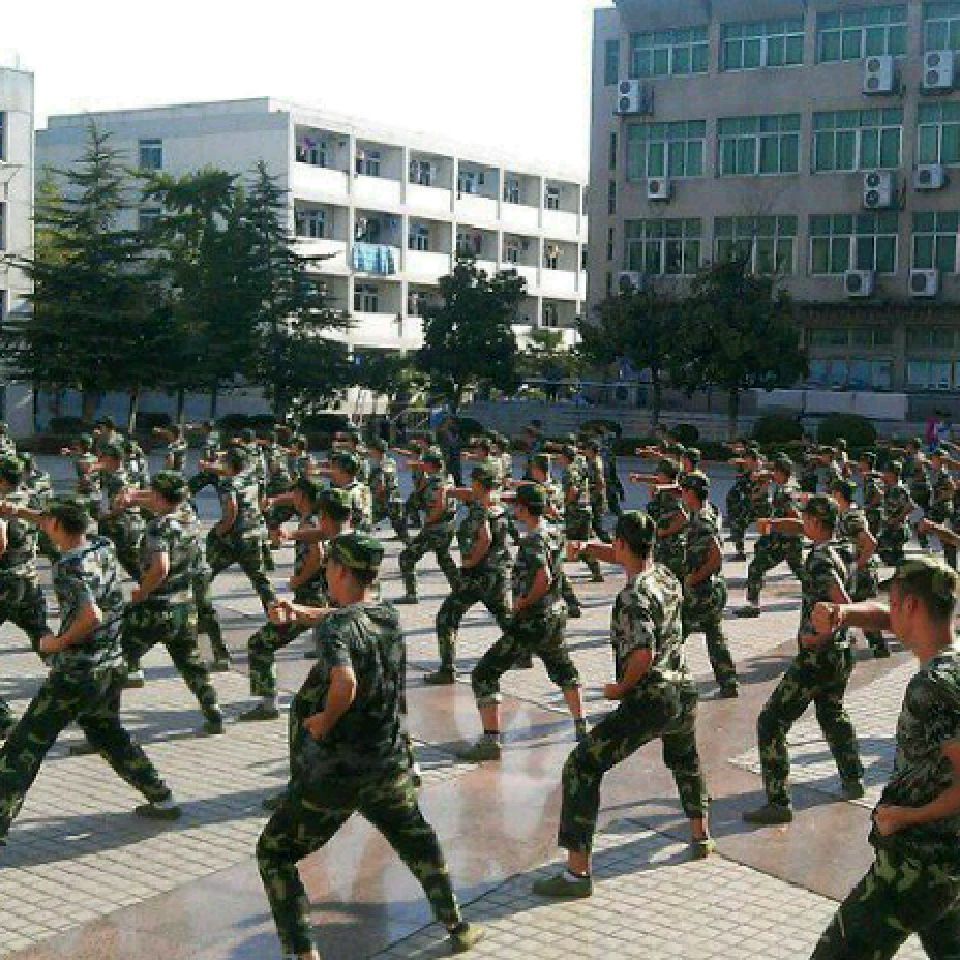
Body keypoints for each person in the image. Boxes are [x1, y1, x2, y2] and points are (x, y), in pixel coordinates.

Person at [255, 532, 483, 959]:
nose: (325, 572)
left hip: (335, 773)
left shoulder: (337, 630)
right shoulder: (387, 615)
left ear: (341, 570)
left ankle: (303, 953)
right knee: (419, 843)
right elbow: (346, 618)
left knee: (274, 852)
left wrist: (324, 720)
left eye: (329, 566)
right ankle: (457, 924)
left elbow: (344, 680)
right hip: (387, 765)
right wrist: (302, 613)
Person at [531, 510, 713, 900]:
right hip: (684, 690)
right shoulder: (665, 576)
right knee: (685, 759)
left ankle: (577, 873)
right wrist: (588, 548)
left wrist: (619, 688)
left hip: (651, 698)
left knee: (582, 765)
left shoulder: (632, 596)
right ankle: (701, 835)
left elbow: (642, 653)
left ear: (621, 543)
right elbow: (624, 557)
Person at [0, 497, 182, 845]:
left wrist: (57, 643)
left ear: (57, 525)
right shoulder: (102, 546)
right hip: (110, 664)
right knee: (108, 734)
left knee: (25, 744)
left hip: (76, 672)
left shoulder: (69, 566)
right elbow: (55, 520)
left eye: (48, 521)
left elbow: (90, 616)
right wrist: (19, 511)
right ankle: (162, 798)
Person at [808, 557, 960, 959]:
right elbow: (886, 618)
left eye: (894, 604)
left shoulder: (933, 686)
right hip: (948, 861)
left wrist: (903, 817)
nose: (889, 614)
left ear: (912, 606)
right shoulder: (952, 660)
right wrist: (843, 613)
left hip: (916, 865)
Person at [743, 495, 864, 825]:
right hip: (841, 653)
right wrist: (776, 524)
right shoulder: (843, 547)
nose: (802, 523)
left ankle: (778, 801)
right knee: (831, 713)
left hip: (819, 656)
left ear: (815, 522)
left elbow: (842, 601)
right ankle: (853, 778)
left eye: (806, 518)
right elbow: (799, 527)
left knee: (771, 722)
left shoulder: (821, 558)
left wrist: (820, 637)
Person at [457, 483, 586, 761]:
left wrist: (523, 602)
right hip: (554, 616)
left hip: (533, 620)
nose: (514, 508)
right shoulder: (555, 532)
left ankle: (490, 741)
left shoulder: (533, 540)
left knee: (484, 674)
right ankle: (581, 724)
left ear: (525, 509)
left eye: (517, 505)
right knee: (563, 668)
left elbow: (543, 577)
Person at [118, 471, 225, 735]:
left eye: (153, 493)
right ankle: (213, 710)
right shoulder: (190, 517)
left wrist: (142, 592)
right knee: (191, 662)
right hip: (184, 605)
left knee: (117, 658)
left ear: (159, 496)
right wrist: (135, 498)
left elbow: (160, 567)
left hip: (156, 606)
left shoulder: (159, 527)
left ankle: (101, 723)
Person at [240, 485, 352, 721]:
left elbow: (317, 555)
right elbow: (319, 536)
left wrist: (297, 580)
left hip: (315, 602)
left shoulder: (326, 533)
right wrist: (291, 535)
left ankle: (269, 704)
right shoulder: (347, 535)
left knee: (260, 643)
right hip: (330, 605)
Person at [426, 464, 512, 685]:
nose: (470, 485)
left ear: (479, 483)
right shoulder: (498, 505)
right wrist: (450, 491)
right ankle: (522, 654)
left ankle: (447, 670)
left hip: (477, 574)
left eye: (473, 481)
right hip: (498, 573)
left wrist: (471, 561)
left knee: (447, 616)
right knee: (504, 615)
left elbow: (485, 538)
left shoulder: (480, 508)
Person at [0, 456, 51, 739]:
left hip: (4, 583)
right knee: (42, 636)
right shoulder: (28, 497)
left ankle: (4, 720)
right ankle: (77, 690)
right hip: (29, 580)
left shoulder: (2, 504)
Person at [680, 472, 739, 697]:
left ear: (691, 493)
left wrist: (693, 579)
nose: (681, 494)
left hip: (701, 590)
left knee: (675, 633)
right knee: (714, 635)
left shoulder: (702, 521)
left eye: (684, 490)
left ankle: (662, 680)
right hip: (711, 588)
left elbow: (716, 557)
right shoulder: (709, 510)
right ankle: (729, 681)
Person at [204, 446, 277, 612]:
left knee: (205, 573)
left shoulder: (228, 484)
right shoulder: (255, 479)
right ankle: (276, 615)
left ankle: (203, 614)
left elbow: (231, 512)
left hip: (233, 538)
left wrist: (218, 531)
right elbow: (263, 504)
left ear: (230, 464)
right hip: (254, 533)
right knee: (260, 579)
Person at [737, 454, 805, 618]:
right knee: (801, 571)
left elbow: (795, 516)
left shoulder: (786, 491)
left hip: (784, 541)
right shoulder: (792, 486)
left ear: (781, 472)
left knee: (756, 567)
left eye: (775, 471)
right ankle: (822, 594)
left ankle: (753, 605)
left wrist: (773, 523)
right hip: (790, 540)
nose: (773, 474)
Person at [831, 477, 889, 659]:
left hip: (859, 573)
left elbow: (871, 543)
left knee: (854, 609)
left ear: (839, 495)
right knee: (855, 609)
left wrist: (857, 566)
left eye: (833, 493)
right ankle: (877, 646)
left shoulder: (852, 517)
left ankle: (874, 645)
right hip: (853, 572)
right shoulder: (844, 514)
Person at [396, 448, 459, 604]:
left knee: (406, 557)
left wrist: (430, 520)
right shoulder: (447, 477)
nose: (422, 464)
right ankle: (459, 588)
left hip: (436, 529)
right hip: (448, 527)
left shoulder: (435, 484)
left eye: (424, 462)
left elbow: (440, 505)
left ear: (430, 465)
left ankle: (411, 594)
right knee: (443, 557)